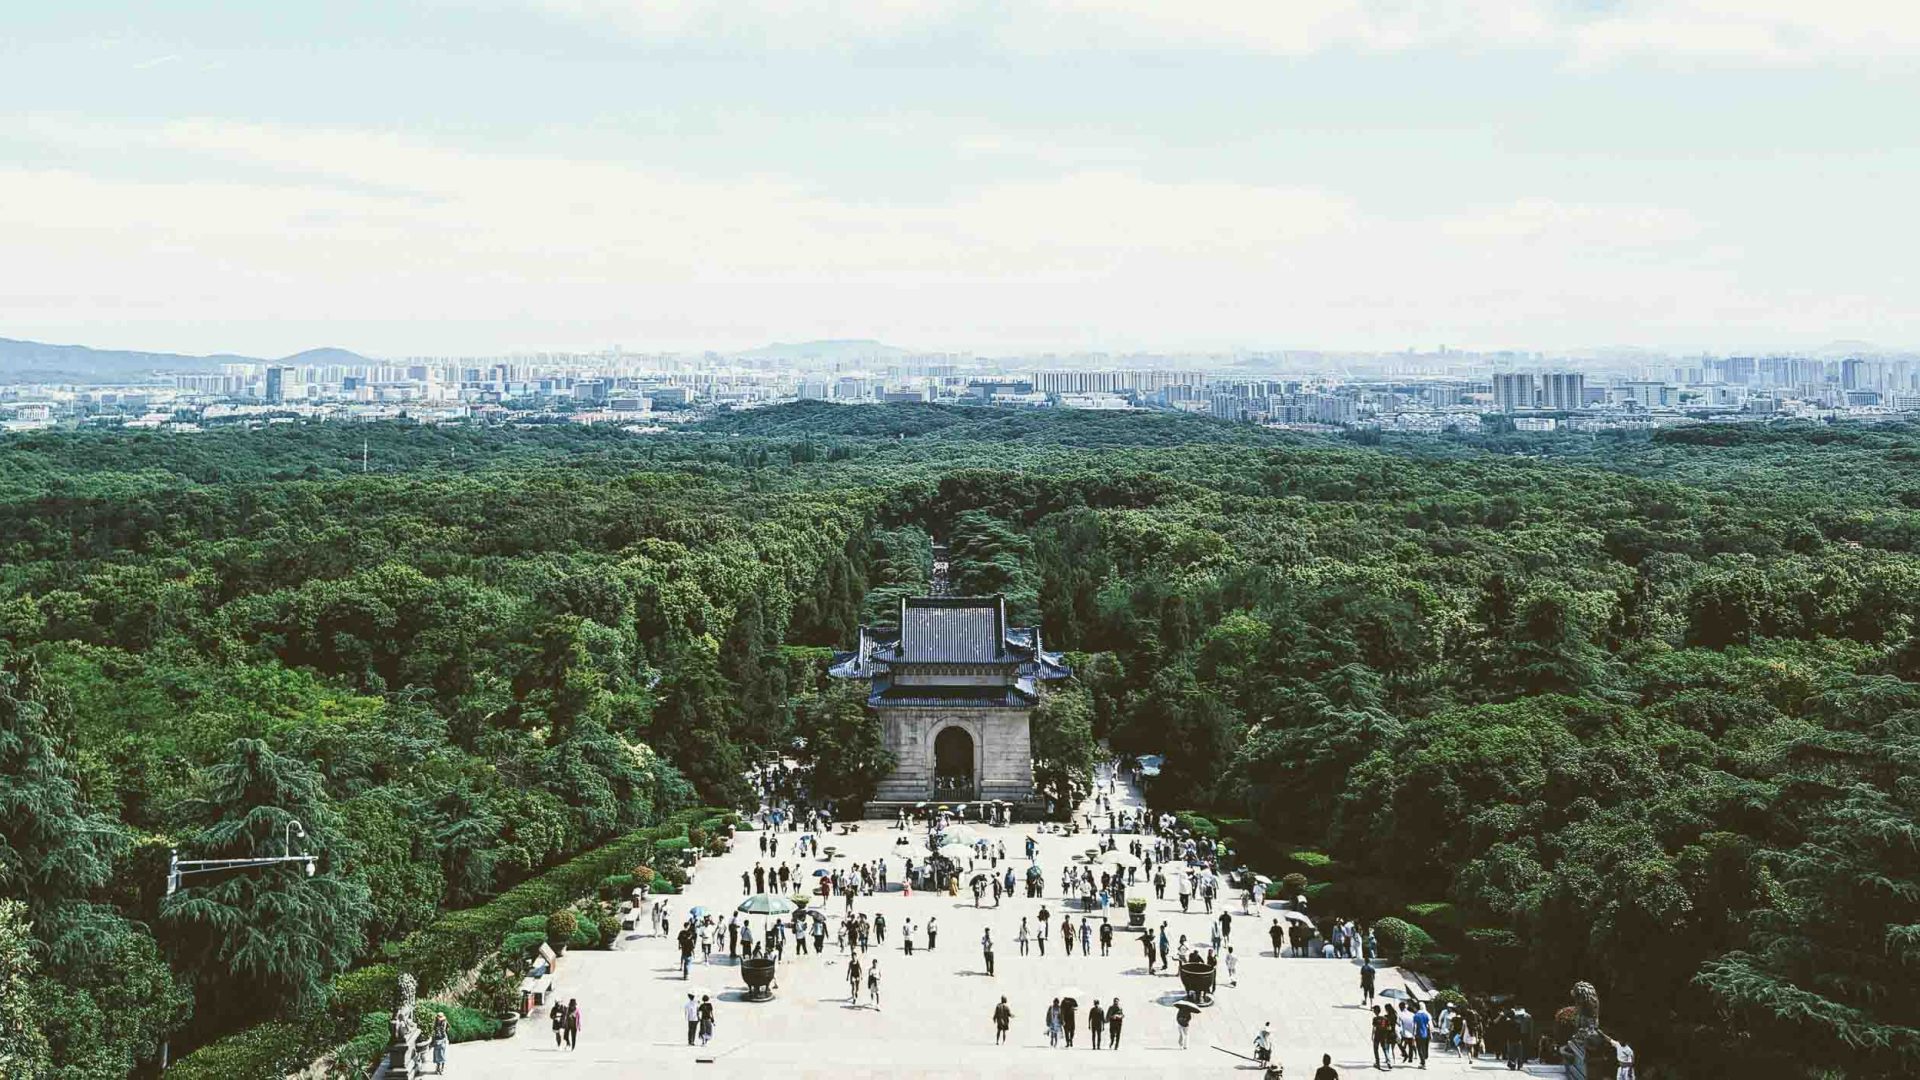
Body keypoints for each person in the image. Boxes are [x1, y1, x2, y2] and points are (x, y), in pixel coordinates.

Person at [1414, 1000, 1432, 1068]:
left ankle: (1423, 1063)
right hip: (1426, 1033)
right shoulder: (1427, 1014)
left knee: (1419, 1048)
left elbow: (1415, 1026)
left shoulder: (1416, 1015)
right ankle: (1423, 1061)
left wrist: (1413, 1034)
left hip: (1418, 1033)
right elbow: (1430, 1025)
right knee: (1425, 1047)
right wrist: (1431, 1034)